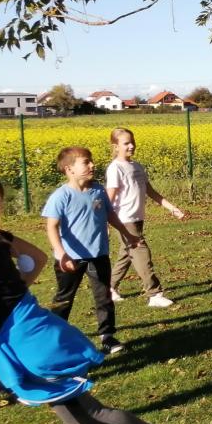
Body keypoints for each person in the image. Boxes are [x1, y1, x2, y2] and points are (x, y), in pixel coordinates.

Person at [0, 170, 196, 424]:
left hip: (24, 342)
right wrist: (13, 294)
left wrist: (7, 300)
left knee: (85, 415)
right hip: (3, 339)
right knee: (81, 417)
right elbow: (35, 258)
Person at [42, 146, 141, 355]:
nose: (92, 165)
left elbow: (111, 216)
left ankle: (107, 337)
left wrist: (128, 235)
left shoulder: (98, 191)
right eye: (86, 162)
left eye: (91, 161)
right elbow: (51, 226)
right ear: (69, 169)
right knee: (64, 299)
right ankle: (54, 340)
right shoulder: (61, 196)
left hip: (98, 255)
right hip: (70, 259)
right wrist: (61, 253)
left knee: (104, 297)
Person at [106, 127, 187, 308]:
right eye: (126, 143)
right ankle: (154, 294)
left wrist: (172, 208)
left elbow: (151, 192)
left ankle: (109, 288)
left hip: (137, 219)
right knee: (141, 252)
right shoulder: (115, 169)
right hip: (124, 220)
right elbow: (109, 199)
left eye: (132, 142)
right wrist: (104, 222)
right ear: (115, 146)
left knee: (126, 254)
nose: (131, 146)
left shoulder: (137, 167)